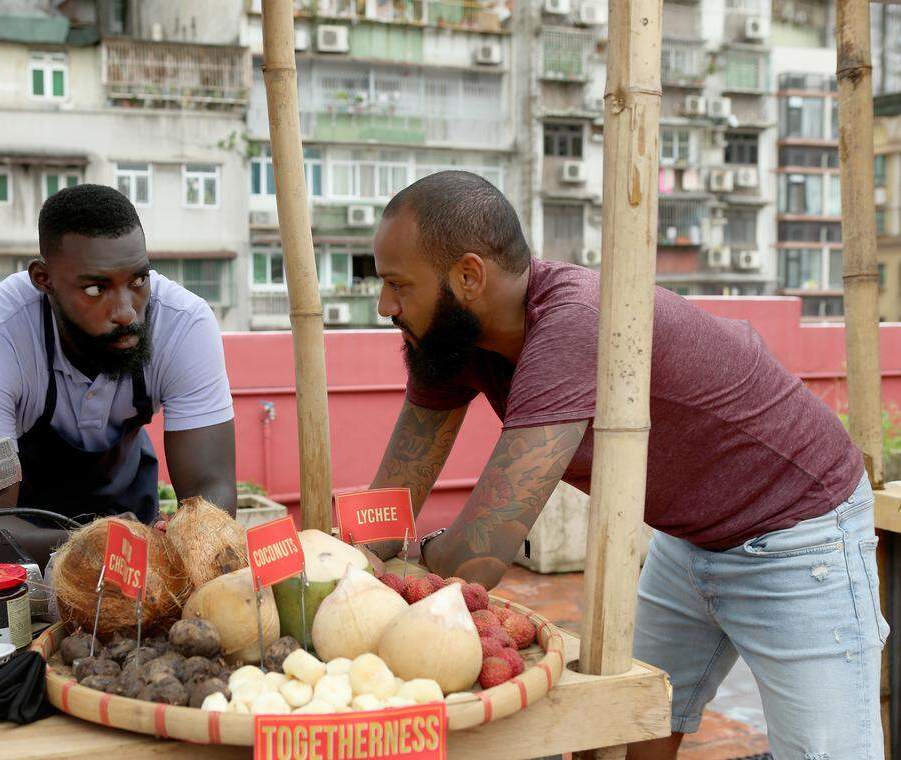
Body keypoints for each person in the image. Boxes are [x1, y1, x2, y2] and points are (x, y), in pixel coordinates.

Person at [366, 171, 887, 758]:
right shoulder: (449, 341)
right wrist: (340, 565)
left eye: (397, 284)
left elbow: (477, 558)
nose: (386, 305)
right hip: (687, 537)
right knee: (618, 736)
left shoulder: (573, 323)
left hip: (800, 532)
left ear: (468, 276)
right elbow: (387, 508)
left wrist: (382, 574)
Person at [0, 184, 235, 567]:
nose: (127, 312)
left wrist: (178, 541)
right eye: (97, 288)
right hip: (26, 544)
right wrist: (97, 544)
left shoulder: (183, 324)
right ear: (43, 279)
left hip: (131, 516)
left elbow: (212, 493)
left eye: (138, 280)